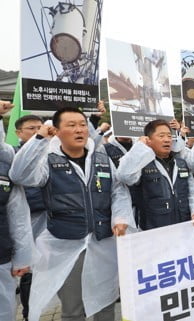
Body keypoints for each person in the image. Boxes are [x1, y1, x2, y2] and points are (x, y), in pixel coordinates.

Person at [9, 107, 134, 321]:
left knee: (104, 304)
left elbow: (118, 192)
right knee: (74, 309)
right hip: (67, 245)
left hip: (103, 242)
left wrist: (120, 218)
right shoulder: (47, 161)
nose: (79, 130)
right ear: (56, 131)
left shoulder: (101, 159)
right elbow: (19, 175)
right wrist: (39, 139)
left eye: (83, 124)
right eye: (71, 125)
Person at [116, 119, 194, 229]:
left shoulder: (181, 163)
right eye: (161, 136)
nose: (167, 140)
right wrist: (140, 146)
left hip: (183, 227)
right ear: (148, 140)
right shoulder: (141, 165)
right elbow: (124, 175)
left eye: (169, 136)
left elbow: (192, 191)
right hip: (153, 232)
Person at [0, 101, 33, 321]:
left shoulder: (6, 161)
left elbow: (17, 215)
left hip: (2, 255)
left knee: (5, 310)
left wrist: (22, 258)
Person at [13, 114, 48, 321]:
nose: (38, 131)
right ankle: (29, 313)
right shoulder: (16, 155)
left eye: (40, 127)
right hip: (28, 220)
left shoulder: (50, 152)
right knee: (29, 270)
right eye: (31, 129)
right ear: (19, 133)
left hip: (51, 218)